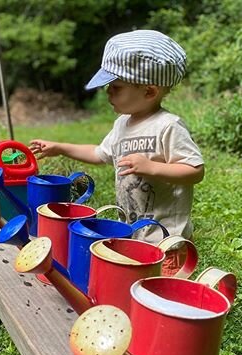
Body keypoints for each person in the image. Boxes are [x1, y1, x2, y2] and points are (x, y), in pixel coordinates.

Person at [30, 30, 204, 274]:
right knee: (131, 284)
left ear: (149, 91)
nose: (108, 92)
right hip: (133, 231)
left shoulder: (168, 126)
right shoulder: (122, 123)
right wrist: (60, 148)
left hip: (167, 238)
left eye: (116, 86)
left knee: (162, 289)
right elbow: (100, 154)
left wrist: (152, 167)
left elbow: (195, 170)